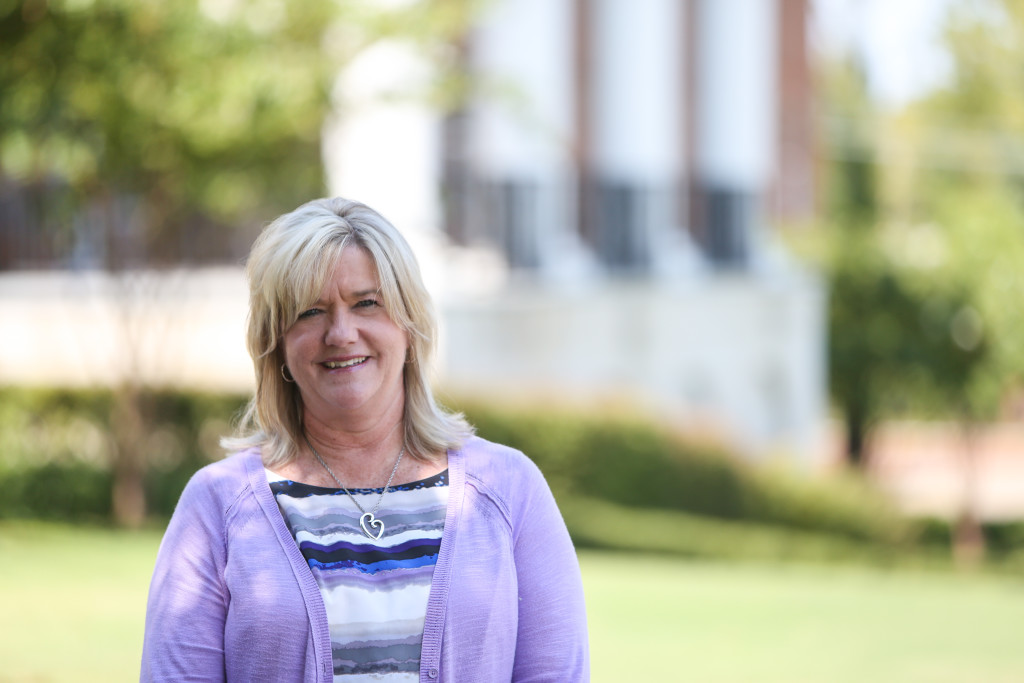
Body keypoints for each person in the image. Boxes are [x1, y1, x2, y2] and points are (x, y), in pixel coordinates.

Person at [140, 197, 589, 682]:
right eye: (310, 311)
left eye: (366, 303)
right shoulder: (219, 507)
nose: (340, 332)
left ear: (409, 323)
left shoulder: (509, 489)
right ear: (277, 345)